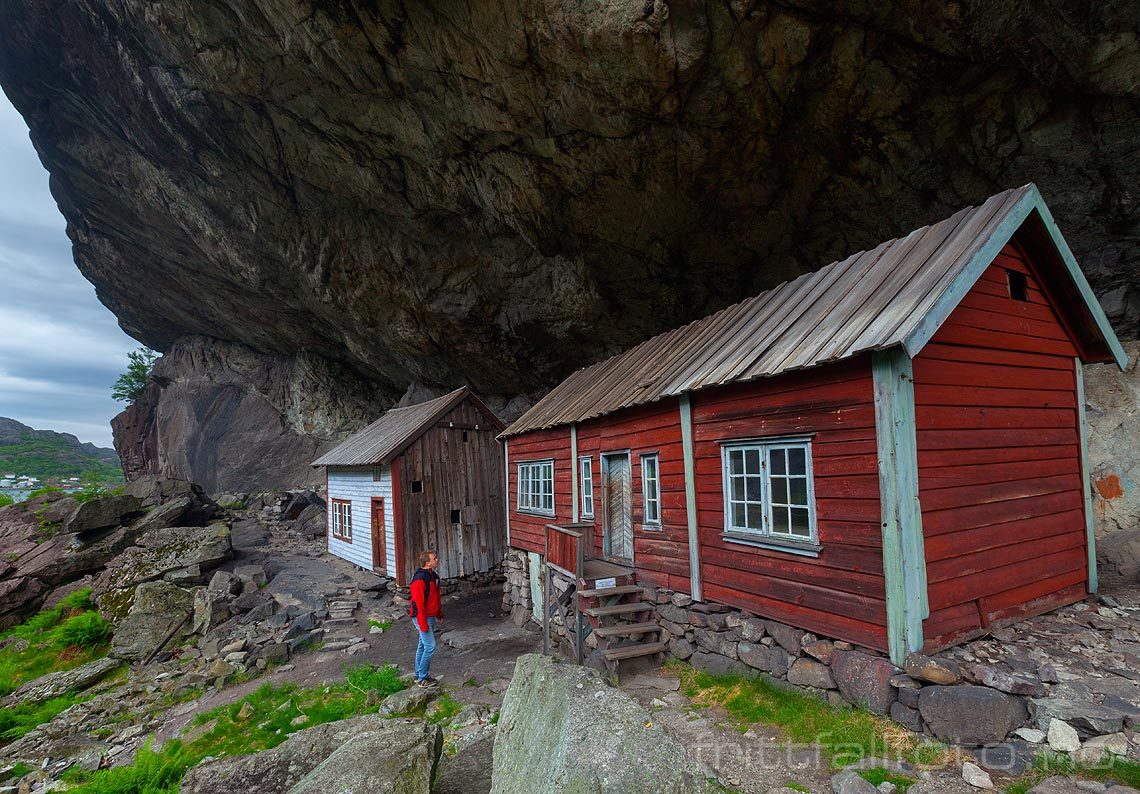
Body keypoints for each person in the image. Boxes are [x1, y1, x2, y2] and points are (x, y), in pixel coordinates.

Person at [409, 549, 444, 687]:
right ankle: (423, 678)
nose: (437, 560)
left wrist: (439, 614)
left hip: (429, 616)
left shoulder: (433, 577)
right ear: (428, 562)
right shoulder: (419, 579)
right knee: (430, 646)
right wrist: (422, 624)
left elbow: (435, 598)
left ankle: (419, 675)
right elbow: (419, 604)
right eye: (435, 558)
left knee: (423, 645)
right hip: (421, 617)